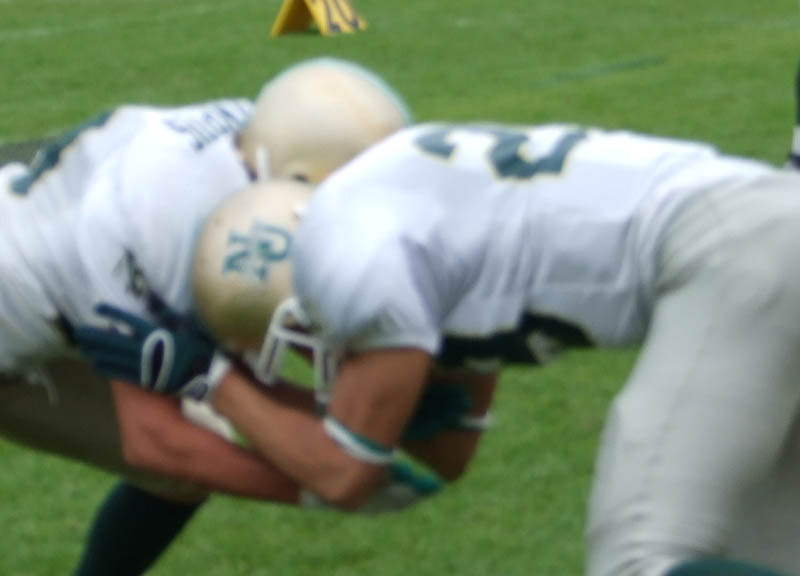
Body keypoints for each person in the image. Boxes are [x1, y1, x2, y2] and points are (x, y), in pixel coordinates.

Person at [85, 118, 800, 576]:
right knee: (762, 553)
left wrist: (211, 380)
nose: (312, 352)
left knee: (640, 560)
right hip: (764, 221)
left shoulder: (351, 258)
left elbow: (345, 478)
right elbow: (450, 452)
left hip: (738, 254)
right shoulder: (402, 222)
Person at [0, 56, 413, 576]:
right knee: (187, 449)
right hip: (29, 297)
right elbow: (153, 439)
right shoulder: (162, 215)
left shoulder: (267, 144)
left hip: (54, 287)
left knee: (193, 449)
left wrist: (371, 415)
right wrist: (315, 487)